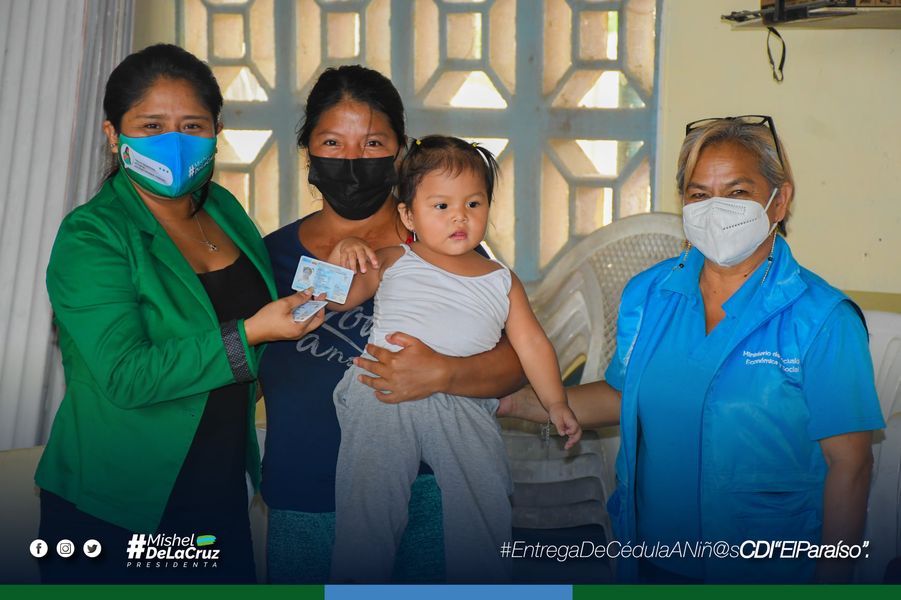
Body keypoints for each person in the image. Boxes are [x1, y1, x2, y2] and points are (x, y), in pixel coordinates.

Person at [499, 115, 884, 584]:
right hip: (651, 559)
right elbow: (623, 395)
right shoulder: (649, 294)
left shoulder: (822, 319)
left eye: (737, 192)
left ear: (779, 201)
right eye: (699, 194)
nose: (715, 209)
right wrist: (520, 402)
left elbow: (850, 465)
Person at [37, 44, 324, 584]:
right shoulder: (91, 236)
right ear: (113, 135)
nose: (174, 141)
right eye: (152, 125)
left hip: (218, 488)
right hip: (118, 502)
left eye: (192, 125)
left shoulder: (224, 208)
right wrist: (251, 333)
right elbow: (127, 375)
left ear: (217, 131)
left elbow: (258, 342)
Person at [258, 66, 525, 583]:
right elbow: (246, 368)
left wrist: (443, 373)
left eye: (373, 142)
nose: (352, 160)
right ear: (307, 150)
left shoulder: (451, 251)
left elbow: (513, 364)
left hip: (429, 493)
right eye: (332, 142)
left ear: (400, 152)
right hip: (304, 496)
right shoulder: (271, 255)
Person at [325, 135, 581, 583]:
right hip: (383, 390)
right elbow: (336, 299)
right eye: (441, 206)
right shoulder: (394, 259)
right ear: (408, 215)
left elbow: (532, 344)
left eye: (473, 204)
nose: (459, 216)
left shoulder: (501, 279)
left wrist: (556, 402)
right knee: (368, 503)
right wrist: (342, 253)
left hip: (463, 399)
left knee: (485, 500)